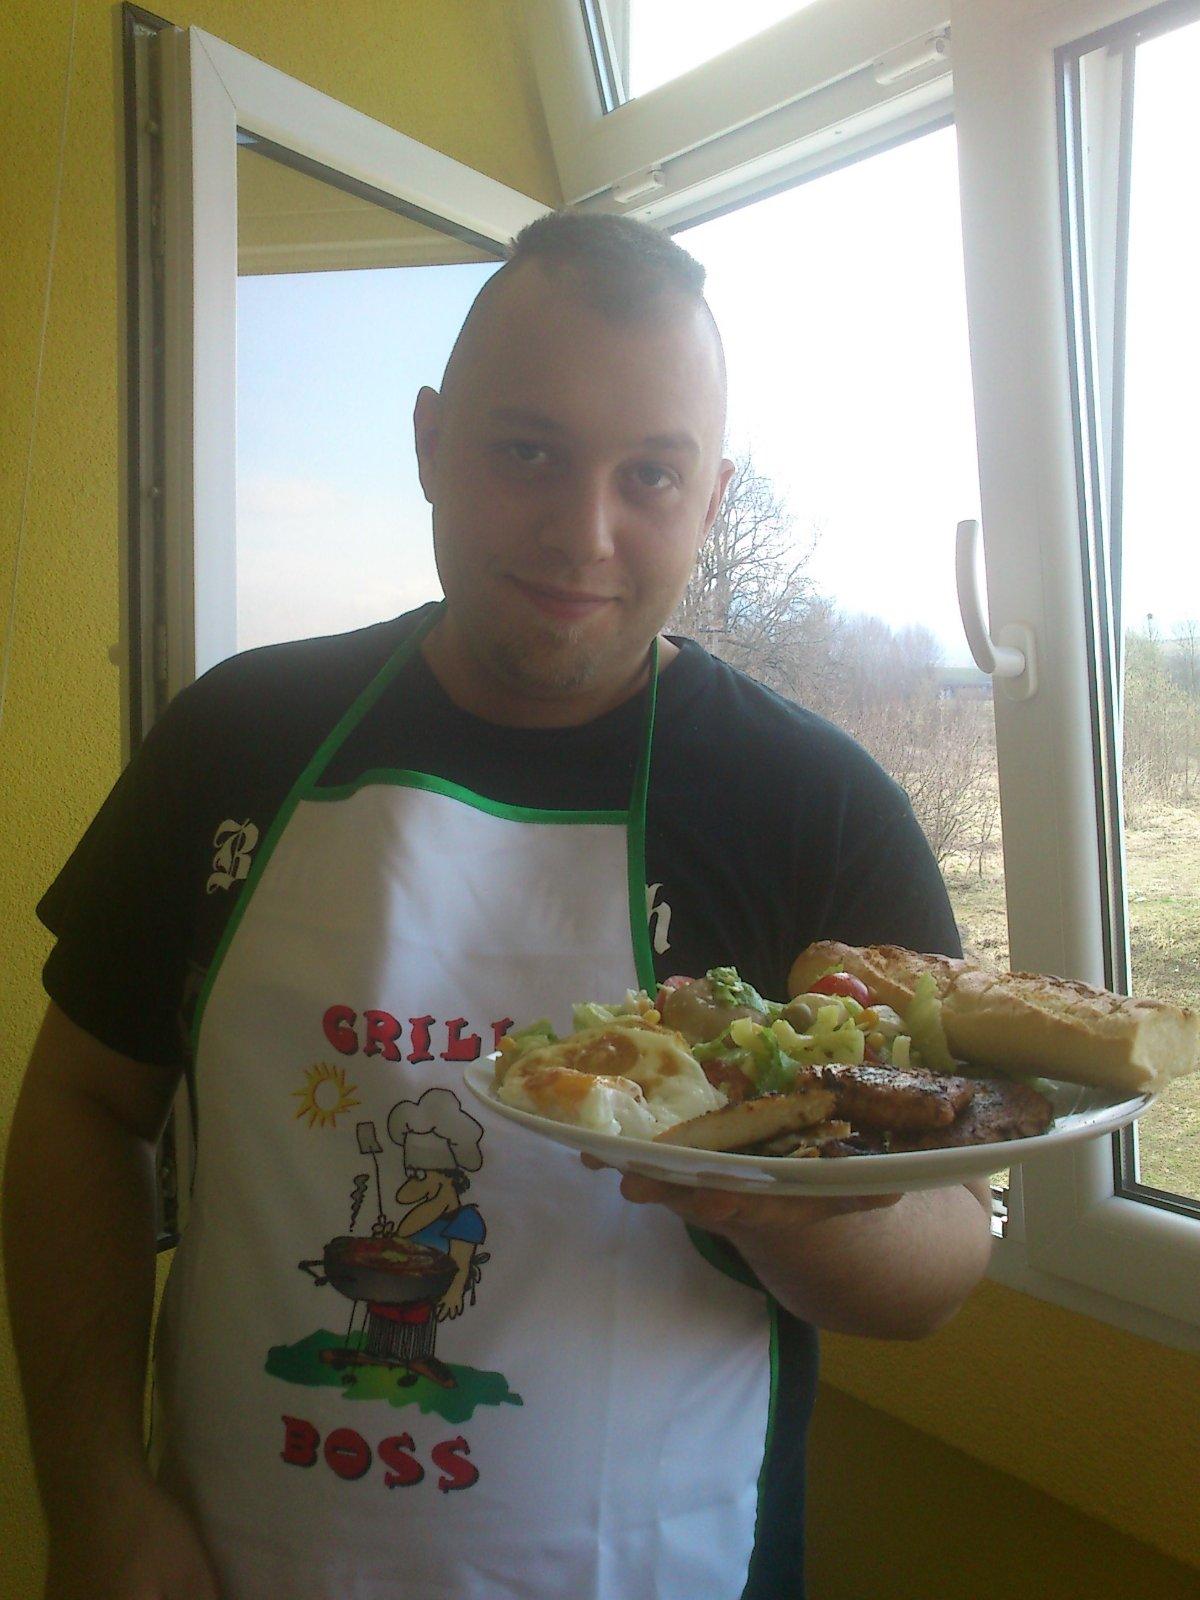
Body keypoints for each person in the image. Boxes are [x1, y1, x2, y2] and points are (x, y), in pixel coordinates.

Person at [5, 211, 993, 1600]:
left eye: (650, 475)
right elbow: (79, 1109)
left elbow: (943, 1256)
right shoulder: (236, 737)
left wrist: (787, 1203)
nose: (582, 533)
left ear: (713, 498)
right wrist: (97, 1498)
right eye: (526, 451)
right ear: (428, 442)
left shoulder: (814, 805)